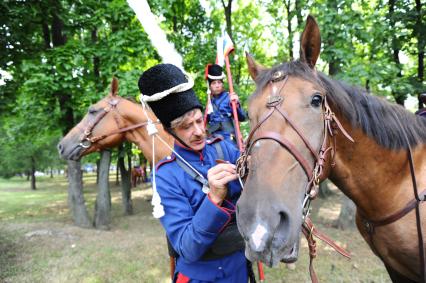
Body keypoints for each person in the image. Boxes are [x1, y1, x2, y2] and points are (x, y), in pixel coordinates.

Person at [138, 64, 252, 283]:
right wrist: (214, 198)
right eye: (186, 126)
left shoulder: (224, 149)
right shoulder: (165, 176)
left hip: (239, 269)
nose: (199, 132)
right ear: (169, 130)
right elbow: (187, 248)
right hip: (200, 277)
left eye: (199, 120)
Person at [205, 64, 246, 143]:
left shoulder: (230, 97)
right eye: (214, 83)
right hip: (213, 137)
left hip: (229, 137)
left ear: (222, 84)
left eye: (219, 82)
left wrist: (236, 104)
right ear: (209, 86)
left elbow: (242, 117)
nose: (217, 85)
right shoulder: (209, 103)